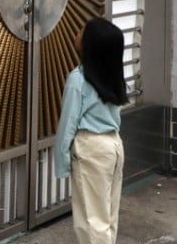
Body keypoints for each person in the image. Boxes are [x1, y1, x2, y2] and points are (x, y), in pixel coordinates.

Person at [53, 17, 129, 244]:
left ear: (91, 45)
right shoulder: (112, 76)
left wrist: (61, 161)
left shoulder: (78, 79)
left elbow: (68, 122)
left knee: (91, 221)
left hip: (91, 148)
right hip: (113, 145)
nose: (76, 35)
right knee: (108, 215)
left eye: (81, 32)